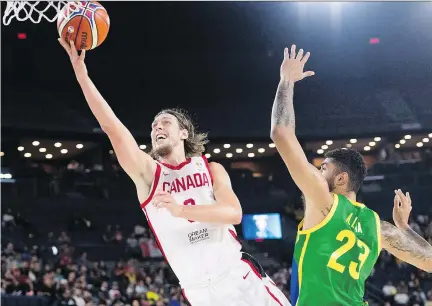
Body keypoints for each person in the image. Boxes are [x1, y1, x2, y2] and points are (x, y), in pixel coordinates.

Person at [58, 39, 290, 306]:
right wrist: (82, 76)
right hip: (198, 292)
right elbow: (114, 129)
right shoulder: (148, 174)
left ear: (183, 133)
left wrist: (182, 211)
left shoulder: (211, 168)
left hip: (238, 277)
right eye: (154, 125)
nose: (157, 127)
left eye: (165, 122)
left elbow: (234, 213)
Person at [269, 44, 432, 305]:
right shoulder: (379, 227)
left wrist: (286, 81)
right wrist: (403, 227)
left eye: (324, 168)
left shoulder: (323, 201)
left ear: (342, 179)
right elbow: (430, 261)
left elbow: (281, 134)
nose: (318, 174)